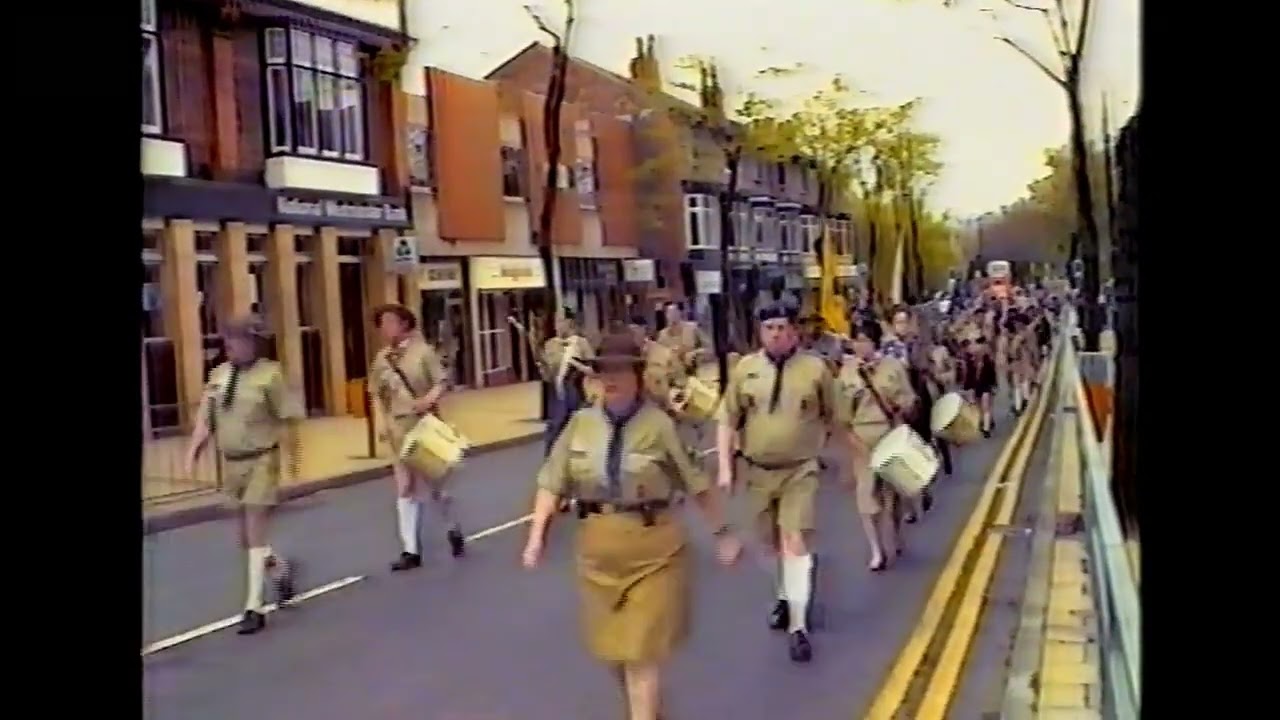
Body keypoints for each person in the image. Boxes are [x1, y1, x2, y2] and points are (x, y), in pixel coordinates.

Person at [521, 332, 742, 720]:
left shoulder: (660, 426)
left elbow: (696, 484)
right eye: (604, 371)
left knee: (640, 654)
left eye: (620, 370)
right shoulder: (580, 425)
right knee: (615, 655)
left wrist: (722, 534)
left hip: (655, 549)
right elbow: (552, 481)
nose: (611, 378)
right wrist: (536, 537)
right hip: (598, 552)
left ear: (638, 375)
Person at [717, 304, 837, 663]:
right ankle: (785, 595)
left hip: (800, 470)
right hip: (757, 471)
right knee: (768, 545)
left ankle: (798, 626)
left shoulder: (815, 369)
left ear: (794, 331)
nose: (776, 334)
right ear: (760, 332)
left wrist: (846, 461)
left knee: (795, 539)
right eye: (769, 327)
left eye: (782, 327)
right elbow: (727, 420)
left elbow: (833, 417)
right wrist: (725, 467)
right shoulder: (745, 370)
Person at [184, 315, 302, 635]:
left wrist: (294, 460)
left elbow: (288, 418)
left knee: (255, 530)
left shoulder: (271, 375)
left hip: (262, 459)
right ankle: (279, 569)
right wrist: (193, 451)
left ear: (253, 343)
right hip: (232, 463)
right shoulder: (219, 375)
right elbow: (206, 419)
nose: (230, 346)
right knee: (245, 540)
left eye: (236, 340)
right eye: (227, 340)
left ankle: (253, 607)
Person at [369, 303, 463, 570]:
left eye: (390, 322)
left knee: (436, 486)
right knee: (404, 487)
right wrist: (380, 423)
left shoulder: (422, 352)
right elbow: (376, 392)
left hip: (424, 425)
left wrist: (428, 399)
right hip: (397, 427)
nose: (385, 329)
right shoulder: (383, 358)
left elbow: (442, 381)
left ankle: (452, 526)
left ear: (404, 324)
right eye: (382, 324)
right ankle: (410, 550)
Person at [837, 318, 918, 571]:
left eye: (865, 340)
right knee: (866, 497)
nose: (861, 346)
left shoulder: (892, 367)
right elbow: (841, 413)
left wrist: (900, 405)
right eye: (857, 341)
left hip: (889, 435)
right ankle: (876, 549)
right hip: (862, 440)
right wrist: (848, 440)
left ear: (875, 342)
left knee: (892, 493)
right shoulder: (847, 372)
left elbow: (909, 398)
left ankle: (895, 534)